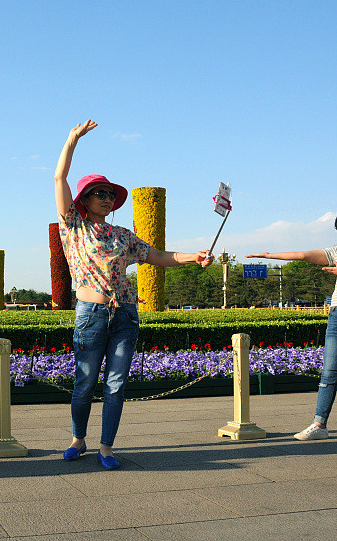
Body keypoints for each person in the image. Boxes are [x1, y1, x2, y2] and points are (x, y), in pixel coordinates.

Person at [55, 120, 212, 470]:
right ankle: (78, 437)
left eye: (111, 195)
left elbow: (157, 256)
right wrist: (72, 140)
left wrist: (194, 256)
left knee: (115, 385)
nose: (108, 199)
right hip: (91, 315)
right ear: (85, 199)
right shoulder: (74, 226)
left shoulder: (123, 234)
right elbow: (58, 179)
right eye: (101, 193)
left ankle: (106, 447)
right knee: (84, 384)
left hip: (125, 314)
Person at [246, 206, 337, 440]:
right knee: (329, 372)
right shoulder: (336, 251)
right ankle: (319, 424)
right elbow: (302, 255)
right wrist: (269, 255)